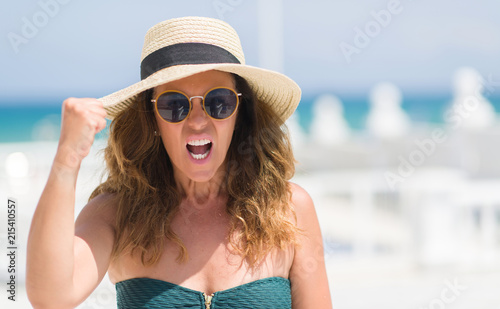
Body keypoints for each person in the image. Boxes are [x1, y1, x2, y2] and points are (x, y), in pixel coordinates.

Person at [26, 16, 332, 308]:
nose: (198, 121)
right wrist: (67, 161)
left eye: (218, 102)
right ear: (151, 119)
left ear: (240, 113)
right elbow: (50, 296)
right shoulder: (118, 214)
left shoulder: (290, 209)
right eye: (175, 105)